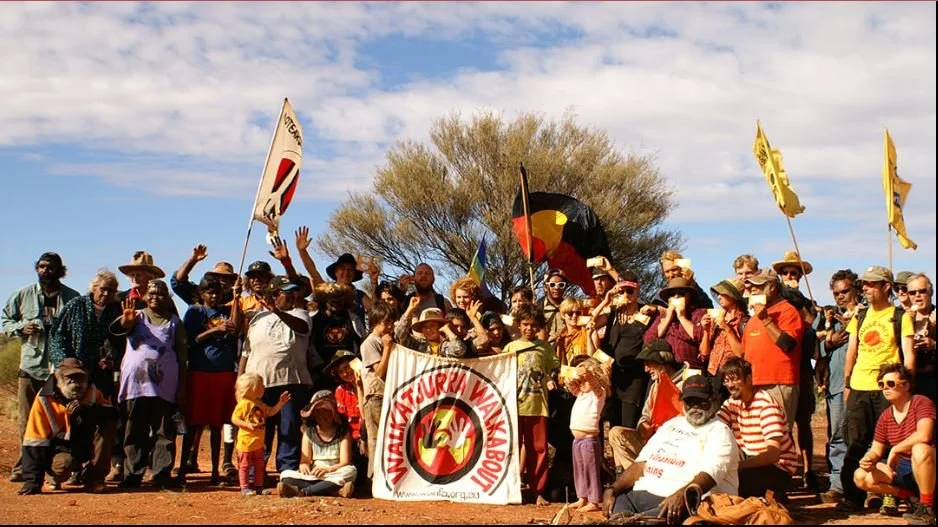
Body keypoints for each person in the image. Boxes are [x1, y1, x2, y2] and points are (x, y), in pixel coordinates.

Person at [602, 375, 738, 524]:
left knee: (640, 521)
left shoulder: (719, 431)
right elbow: (640, 463)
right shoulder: (672, 424)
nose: (695, 407)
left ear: (713, 401)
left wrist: (682, 494)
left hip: (676, 501)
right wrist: (613, 489)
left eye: (701, 401)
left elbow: (711, 473)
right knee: (619, 509)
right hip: (641, 493)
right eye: (689, 402)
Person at [841, 265, 915, 510]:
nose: (866, 288)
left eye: (872, 284)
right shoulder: (860, 316)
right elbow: (852, 350)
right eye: (864, 283)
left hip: (889, 388)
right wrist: (847, 384)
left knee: (889, 442)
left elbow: (908, 354)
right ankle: (852, 496)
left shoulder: (900, 316)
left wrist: (905, 388)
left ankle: (886, 494)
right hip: (860, 385)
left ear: (886, 287)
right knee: (856, 442)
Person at [3, 252, 81, 482]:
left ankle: (59, 468)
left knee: (61, 419)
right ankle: (25, 466)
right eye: (41, 266)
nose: (45, 270)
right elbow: (5, 320)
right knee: (27, 420)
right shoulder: (23, 294)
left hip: (59, 372)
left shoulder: (72, 298)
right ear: (37, 268)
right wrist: (20, 328)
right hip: (30, 366)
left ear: (60, 270)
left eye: (50, 267)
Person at [110, 279, 187, 489]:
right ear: (144, 296)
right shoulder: (136, 316)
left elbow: (182, 355)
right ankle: (132, 475)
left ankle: (162, 475)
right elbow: (120, 330)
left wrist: (182, 385)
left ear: (167, 298)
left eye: (161, 294)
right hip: (136, 383)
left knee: (164, 431)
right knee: (135, 429)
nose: (155, 297)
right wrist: (127, 322)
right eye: (151, 293)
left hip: (165, 385)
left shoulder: (174, 322)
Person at [239, 276, 314, 473]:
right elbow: (246, 353)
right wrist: (239, 383)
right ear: (272, 295)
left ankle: (287, 471)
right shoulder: (256, 319)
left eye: (292, 292)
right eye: (285, 292)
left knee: (288, 429)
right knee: (259, 428)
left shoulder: (301, 314)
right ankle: (256, 472)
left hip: (290, 381)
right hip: (258, 385)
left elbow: (302, 328)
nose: (291, 296)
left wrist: (278, 312)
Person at [16, 358, 117, 495]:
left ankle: (94, 479)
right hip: (59, 449)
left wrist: (88, 409)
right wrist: (32, 481)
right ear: (58, 377)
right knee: (64, 464)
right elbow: (34, 441)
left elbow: (112, 414)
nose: (75, 382)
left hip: (85, 445)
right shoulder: (44, 399)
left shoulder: (93, 392)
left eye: (80, 377)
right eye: (70, 377)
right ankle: (53, 477)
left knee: (107, 424)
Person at [852, 363, 935, 524]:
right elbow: (876, 450)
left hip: (927, 465)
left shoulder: (921, 402)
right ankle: (910, 497)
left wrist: (896, 449)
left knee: (920, 449)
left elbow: (924, 435)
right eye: (882, 385)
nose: (885, 388)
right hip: (903, 469)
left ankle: (927, 508)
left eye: (891, 384)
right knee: (860, 476)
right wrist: (869, 460)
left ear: (906, 385)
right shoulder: (885, 416)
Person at [179, 277, 241, 485]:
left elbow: (237, 330)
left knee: (217, 425)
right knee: (194, 423)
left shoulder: (227, 311)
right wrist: (215, 330)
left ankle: (216, 471)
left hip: (223, 373)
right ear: (202, 294)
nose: (213, 296)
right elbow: (191, 340)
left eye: (217, 292)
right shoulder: (195, 312)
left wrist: (238, 299)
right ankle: (182, 470)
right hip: (199, 371)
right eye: (209, 292)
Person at [718, 357, 799, 500]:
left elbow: (772, 455)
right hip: (750, 457)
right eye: (726, 381)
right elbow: (715, 428)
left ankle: (770, 492)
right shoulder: (731, 403)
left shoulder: (766, 406)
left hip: (778, 467)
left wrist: (737, 467)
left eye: (735, 380)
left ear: (749, 379)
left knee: (730, 481)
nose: (730, 385)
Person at [503, 304, 559, 505]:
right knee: (511, 448)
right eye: (525, 324)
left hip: (538, 405)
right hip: (513, 407)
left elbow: (555, 368)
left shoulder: (545, 348)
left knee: (538, 449)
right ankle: (510, 488)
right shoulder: (510, 348)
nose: (529, 329)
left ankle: (538, 491)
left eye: (534, 325)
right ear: (519, 325)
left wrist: (553, 377)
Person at [607, 340, 685, 475]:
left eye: (649, 363)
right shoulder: (656, 385)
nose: (646, 369)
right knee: (616, 434)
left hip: (673, 445)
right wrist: (643, 425)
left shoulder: (684, 385)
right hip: (652, 441)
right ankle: (636, 477)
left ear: (662, 362)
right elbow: (646, 414)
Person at [818, 269, 861, 504]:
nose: (841, 297)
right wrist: (827, 342)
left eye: (845, 291)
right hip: (836, 385)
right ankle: (838, 484)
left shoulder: (866, 314)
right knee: (837, 436)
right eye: (836, 293)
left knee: (866, 436)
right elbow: (814, 351)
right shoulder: (829, 317)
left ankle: (870, 487)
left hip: (865, 383)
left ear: (856, 288)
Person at [740, 268, 804, 428]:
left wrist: (766, 319)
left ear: (773, 287)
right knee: (756, 433)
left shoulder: (788, 311)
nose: (753, 289)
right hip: (753, 384)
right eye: (751, 286)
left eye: (759, 286)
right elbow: (745, 353)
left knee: (778, 433)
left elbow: (788, 345)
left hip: (778, 383)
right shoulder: (753, 318)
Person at [595, 270, 656, 429]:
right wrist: (606, 301)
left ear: (637, 290)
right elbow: (590, 324)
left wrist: (655, 308)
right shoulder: (613, 313)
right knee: (614, 424)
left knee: (629, 424)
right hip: (613, 375)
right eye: (621, 291)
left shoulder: (646, 312)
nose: (626, 294)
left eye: (630, 290)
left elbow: (664, 315)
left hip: (634, 377)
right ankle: (617, 454)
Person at [49, 269, 123, 398]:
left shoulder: (115, 310)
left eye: (111, 291)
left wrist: (111, 359)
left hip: (100, 371)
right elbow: (57, 335)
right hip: (73, 369)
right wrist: (65, 361)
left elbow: (118, 340)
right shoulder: (76, 305)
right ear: (94, 288)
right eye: (103, 289)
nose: (106, 294)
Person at [278, 390, 358, 498]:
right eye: (318, 411)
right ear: (313, 413)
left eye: (326, 411)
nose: (322, 415)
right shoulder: (309, 432)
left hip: (334, 472)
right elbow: (305, 461)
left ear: (333, 413)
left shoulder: (343, 433)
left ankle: (304, 491)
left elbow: (345, 462)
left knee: (350, 471)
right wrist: (304, 467)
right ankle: (333, 490)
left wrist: (328, 470)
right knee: (285, 475)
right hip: (315, 474)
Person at [230, 373, 291, 496]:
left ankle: (259, 486)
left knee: (259, 466)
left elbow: (271, 412)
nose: (264, 387)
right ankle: (245, 488)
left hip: (258, 443)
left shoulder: (259, 404)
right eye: (261, 385)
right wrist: (247, 425)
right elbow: (234, 419)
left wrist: (281, 403)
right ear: (253, 389)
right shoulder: (243, 404)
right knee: (244, 466)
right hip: (246, 443)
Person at [566, 358, 610, 512]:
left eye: (585, 381)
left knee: (591, 470)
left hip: (589, 440)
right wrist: (576, 376)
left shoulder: (599, 394)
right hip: (577, 440)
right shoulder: (581, 394)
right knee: (579, 469)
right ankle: (582, 497)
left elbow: (596, 385)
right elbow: (570, 385)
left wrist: (588, 376)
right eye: (581, 381)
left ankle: (594, 500)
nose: (582, 384)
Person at [359, 302, 397, 479]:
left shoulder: (387, 340)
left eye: (391, 322)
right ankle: (374, 479)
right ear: (375, 322)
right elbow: (379, 372)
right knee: (376, 440)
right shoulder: (370, 344)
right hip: (376, 397)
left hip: (389, 395)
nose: (389, 327)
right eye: (385, 323)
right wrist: (387, 348)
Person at [310, 283, 364, 387]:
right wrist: (320, 368)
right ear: (324, 299)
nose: (336, 301)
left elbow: (361, 343)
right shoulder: (314, 320)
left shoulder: (352, 319)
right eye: (332, 298)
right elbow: (310, 348)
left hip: (350, 373)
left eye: (340, 298)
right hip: (322, 374)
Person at [647, 276, 706, 371]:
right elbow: (649, 340)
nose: (676, 296)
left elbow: (700, 336)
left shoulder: (699, 313)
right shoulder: (662, 317)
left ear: (689, 296)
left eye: (681, 293)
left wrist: (682, 317)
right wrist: (668, 318)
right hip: (667, 370)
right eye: (672, 294)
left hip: (692, 369)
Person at [700, 279, 748, 376]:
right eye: (718, 294)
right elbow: (704, 354)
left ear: (733, 296)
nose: (719, 297)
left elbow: (741, 354)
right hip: (713, 374)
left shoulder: (745, 322)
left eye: (722, 294)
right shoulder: (716, 319)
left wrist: (726, 328)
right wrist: (706, 330)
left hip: (734, 375)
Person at [171, 243, 238, 305]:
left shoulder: (236, 298)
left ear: (232, 283)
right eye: (218, 277)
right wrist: (193, 260)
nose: (222, 280)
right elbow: (177, 282)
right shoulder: (199, 294)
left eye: (227, 278)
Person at [906, 273, 936, 402]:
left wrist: (934, 344)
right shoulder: (903, 318)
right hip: (909, 380)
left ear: (930, 293)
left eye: (922, 291)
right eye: (912, 293)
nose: (917, 296)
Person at [539, 269, 569, 344]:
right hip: (546, 350)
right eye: (552, 285)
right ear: (546, 287)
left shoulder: (571, 308)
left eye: (561, 285)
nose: (556, 288)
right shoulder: (538, 308)